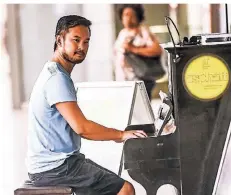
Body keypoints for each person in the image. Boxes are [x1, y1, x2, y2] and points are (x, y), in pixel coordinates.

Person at [26, 15, 147, 195]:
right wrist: (120, 134)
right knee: (125, 190)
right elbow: (82, 128)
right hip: (55, 168)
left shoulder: (55, 72)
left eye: (86, 41)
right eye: (76, 40)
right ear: (59, 40)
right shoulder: (56, 79)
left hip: (61, 163)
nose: (82, 47)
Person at [114, 4, 163, 100]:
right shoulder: (123, 33)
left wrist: (133, 49)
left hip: (141, 78)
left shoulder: (143, 32)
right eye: (125, 15)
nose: (128, 18)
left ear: (138, 16)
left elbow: (157, 50)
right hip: (124, 79)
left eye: (131, 15)